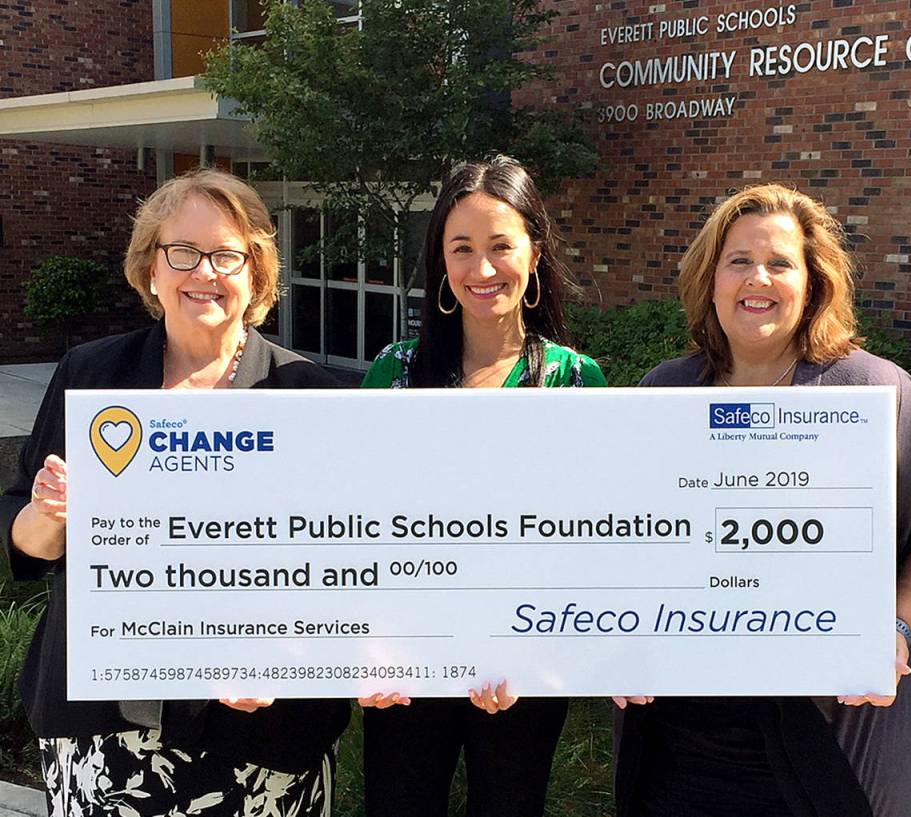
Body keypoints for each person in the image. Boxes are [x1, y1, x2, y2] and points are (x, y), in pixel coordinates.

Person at [615, 184, 911, 817]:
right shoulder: (666, 391)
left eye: (780, 263)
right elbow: (628, 540)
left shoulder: (874, 394)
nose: (757, 278)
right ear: (711, 279)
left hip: (823, 744)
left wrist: (894, 626)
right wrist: (612, 639)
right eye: (738, 260)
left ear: (811, 284)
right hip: (680, 744)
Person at [0, 169, 350, 817]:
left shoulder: (310, 393)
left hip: (259, 732)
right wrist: (51, 514)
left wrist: (290, 660)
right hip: (106, 723)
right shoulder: (93, 375)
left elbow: (341, 567)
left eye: (226, 254)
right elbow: (25, 541)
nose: (204, 273)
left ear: (256, 273)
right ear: (151, 267)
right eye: (183, 252)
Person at [359, 156, 606, 817]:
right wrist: (371, 640)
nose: (482, 268)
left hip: (522, 663)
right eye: (461, 248)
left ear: (533, 252)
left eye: (501, 245)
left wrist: (534, 652)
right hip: (407, 661)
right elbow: (357, 519)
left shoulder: (575, 380)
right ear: (440, 260)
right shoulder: (396, 370)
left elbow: (593, 534)